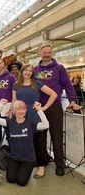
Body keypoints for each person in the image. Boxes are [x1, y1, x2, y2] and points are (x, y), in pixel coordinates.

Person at [34, 43, 80, 176]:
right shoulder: (35, 69)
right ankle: (43, 161)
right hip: (38, 107)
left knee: (56, 136)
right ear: (40, 53)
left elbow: (68, 85)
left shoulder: (60, 68)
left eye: (49, 52)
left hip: (54, 106)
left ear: (52, 54)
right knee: (40, 136)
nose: (46, 54)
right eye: (44, 52)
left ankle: (60, 164)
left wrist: (72, 100)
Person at [12, 64, 57, 178]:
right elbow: (14, 101)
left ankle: (41, 166)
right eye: (25, 70)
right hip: (21, 116)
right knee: (24, 142)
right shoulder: (16, 85)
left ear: (32, 73)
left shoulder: (37, 84)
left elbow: (53, 94)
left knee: (39, 143)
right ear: (21, 72)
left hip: (34, 117)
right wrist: (12, 114)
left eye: (30, 71)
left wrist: (44, 107)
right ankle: (25, 163)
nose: (27, 72)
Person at [0, 99, 49, 186]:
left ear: (26, 110)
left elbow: (46, 125)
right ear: (14, 111)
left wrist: (39, 110)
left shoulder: (30, 123)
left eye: (23, 109)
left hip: (28, 159)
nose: (21, 111)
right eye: (18, 109)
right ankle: (19, 168)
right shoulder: (9, 122)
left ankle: (25, 170)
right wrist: (0, 105)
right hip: (14, 157)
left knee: (21, 182)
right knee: (10, 179)